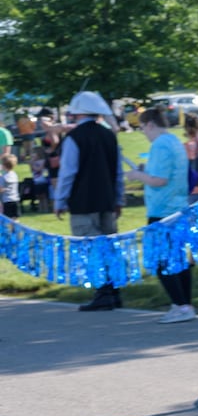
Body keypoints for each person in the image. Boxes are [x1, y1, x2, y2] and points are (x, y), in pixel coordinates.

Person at [54, 90, 125, 311]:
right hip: (107, 200)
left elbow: (68, 172)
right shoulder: (109, 135)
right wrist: (119, 198)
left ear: (77, 113)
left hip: (83, 203)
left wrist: (60, 200)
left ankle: (102, 293)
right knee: (108, 244)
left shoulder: (74, 138)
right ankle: (114, 292)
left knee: (90, 247)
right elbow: (118, 171)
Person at [124, 108, 195, 323]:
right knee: (180, 259)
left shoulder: (160, 145)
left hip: (162, 211)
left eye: (143, 127)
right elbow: (164, 173)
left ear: (151, 124)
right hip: (178, 208)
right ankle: (185, 304)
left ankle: (179, 305)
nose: (143, 132)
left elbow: (159, 180)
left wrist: (136, 175)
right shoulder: (174, 141)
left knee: (161, 260)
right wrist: (145, 171)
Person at [0, 153, 18, 218]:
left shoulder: (3, 177)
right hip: (15, 199)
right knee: (15, 218)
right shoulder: (14, 175)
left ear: (4, 166)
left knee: (7, 219)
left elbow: (1, 189)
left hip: (6, 201)